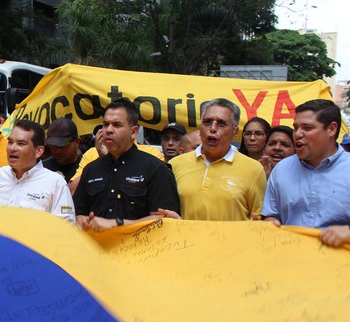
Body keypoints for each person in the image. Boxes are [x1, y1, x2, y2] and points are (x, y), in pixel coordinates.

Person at [74, 99, 180, 232]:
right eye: (105, 124)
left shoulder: (156, 169)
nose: (109, 130)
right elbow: (78, 213)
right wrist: (81, 219)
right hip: (96, 250)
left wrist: (117, 223)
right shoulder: (91, 169)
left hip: (141, 250)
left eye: (117, 125)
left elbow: (166, 220)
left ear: (134, 132)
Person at [262, 99, 350, 247]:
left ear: (331, 129)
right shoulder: (281, 170)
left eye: (307, 128)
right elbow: (271, 216)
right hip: (290, 261)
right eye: (296, 128)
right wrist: (270, 223)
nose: (297, 134)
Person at [169, 98, 266, 221]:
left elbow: (259, 219)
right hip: (184, 240)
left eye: (221, 123)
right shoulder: (174, 165)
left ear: (235, 132)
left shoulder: (254, 169)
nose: (213, 128)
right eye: (207, 122)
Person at [0, 119, 75, 222]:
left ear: (38, 151)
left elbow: (66, 227)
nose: (12, 148)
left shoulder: (56, 183)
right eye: (10, 142)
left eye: (21, 144)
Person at [43, 118, 83, 183]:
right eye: (53, 147)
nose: (57, 151)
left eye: (63, 146)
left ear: (77, 142)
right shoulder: (42, 169)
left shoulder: (86, 168)